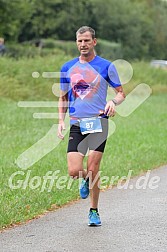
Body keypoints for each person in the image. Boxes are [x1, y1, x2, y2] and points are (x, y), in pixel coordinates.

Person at [58, 26, 125, 226]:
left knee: (93, 167)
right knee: (74, 170)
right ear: (76, 42)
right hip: (77, 123)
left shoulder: (106, 66)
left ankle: (94, 211)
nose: (83, 44)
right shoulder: (67, 67)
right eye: (80, 41)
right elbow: (63, 98)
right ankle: (86, 179)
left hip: (98, 121)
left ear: (94, 42)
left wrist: (113, 102)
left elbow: (121, 92)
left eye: (87, 40)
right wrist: (60, 120)